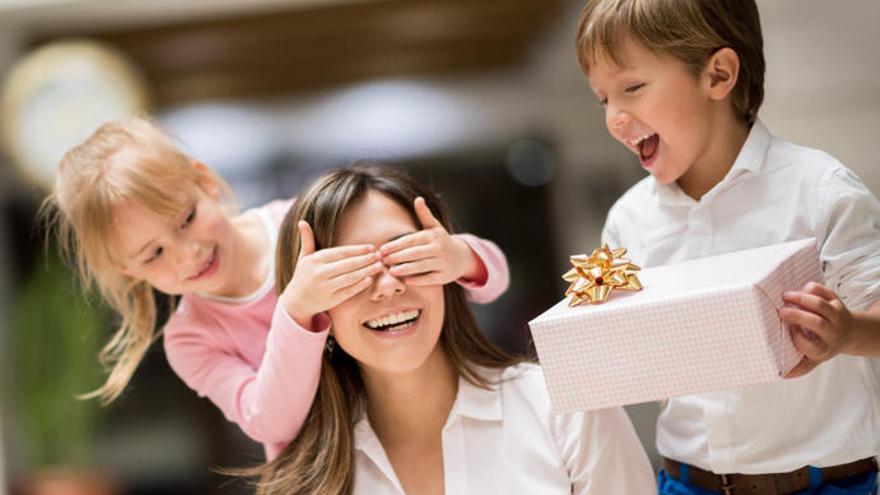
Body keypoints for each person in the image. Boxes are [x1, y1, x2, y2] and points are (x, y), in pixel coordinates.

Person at [43, 118, 511, 460]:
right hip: (332, 473)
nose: (186, 253)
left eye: (185, 219)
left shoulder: (302, 222)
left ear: (204, 182)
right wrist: (296, 312)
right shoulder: (191, 340)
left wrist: (459, 258)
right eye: (153, 255)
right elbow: (271, 421)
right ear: (128, 271)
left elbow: (489, 284)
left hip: (424, 434)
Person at [576, 0, 880, 493]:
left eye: (631, 88)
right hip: (684, 481)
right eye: (602, 99)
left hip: (821, 483)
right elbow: (597, 327)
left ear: (718, 75)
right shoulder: (626, 220)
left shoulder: (820, 189)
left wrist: (844, 333)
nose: (614, 117)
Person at [253, 164, 656, 494]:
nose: (389, 285)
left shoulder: (564, 407)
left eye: (408, 256)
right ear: (315, 314)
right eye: (349, 272)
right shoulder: (304, 479)